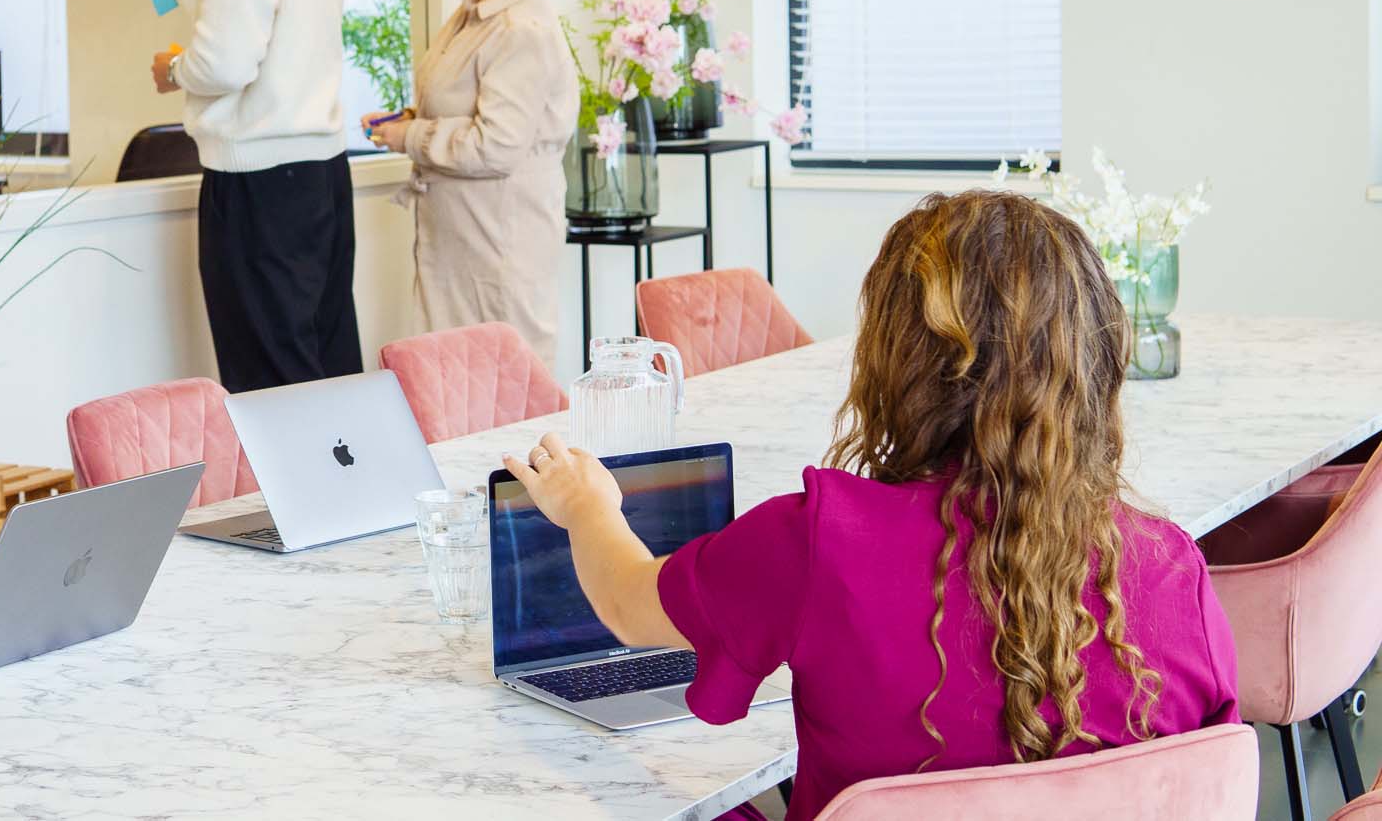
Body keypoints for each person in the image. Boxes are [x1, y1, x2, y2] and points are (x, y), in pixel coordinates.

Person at [500, 189, 1239, 820]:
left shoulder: (820, 539)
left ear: (895, 363)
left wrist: (586, 505)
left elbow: (630, 603)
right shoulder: (1172, 566)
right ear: (1092, 364)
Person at [148, 0, 360, 393]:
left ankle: (299, 502)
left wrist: (176, 69)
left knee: (272, 390)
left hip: (258, 187)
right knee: (325, 375)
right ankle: (346, 499)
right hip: (324, 176)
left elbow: (225, 61)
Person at [364, 0, 586, 369]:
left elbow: (496, 146)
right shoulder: (474, 14)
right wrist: (407, 121)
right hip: (459, 248)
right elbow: (464, 110)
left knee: (501, 395)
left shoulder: (521, 30)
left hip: (498, 250)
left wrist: (412, 138)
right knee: (449, 391)